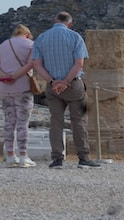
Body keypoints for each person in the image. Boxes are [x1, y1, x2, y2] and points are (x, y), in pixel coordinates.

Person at [32, 11, 103, 168]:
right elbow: (79, 64)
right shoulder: (75, 37)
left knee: (56, 121)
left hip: (52, 86)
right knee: (79, 121)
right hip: (74, 84)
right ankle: (83, 158)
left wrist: (53, 81)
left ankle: (57, 159)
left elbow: (37, 65)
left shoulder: (41, 38)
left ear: (54, 20)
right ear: (69, 24)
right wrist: (65, 81)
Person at [0, 24, 37, 167]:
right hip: (22, 86)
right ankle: (23, 155)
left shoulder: (2, 46)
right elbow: (31, 64)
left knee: (9, 122)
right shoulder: (31, 45)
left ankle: (10, 155)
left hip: (4, 88)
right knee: (22, 123)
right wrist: (16, 76)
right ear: (27, 35)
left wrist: (5, 76)